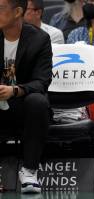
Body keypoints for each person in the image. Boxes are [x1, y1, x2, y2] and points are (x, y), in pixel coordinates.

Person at [0, 0, 52, 193]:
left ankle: (29, 171)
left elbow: (42, 81)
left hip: (23, 107)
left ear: (17, 12)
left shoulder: (40, 39)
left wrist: (15, 90)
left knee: (38, 101)